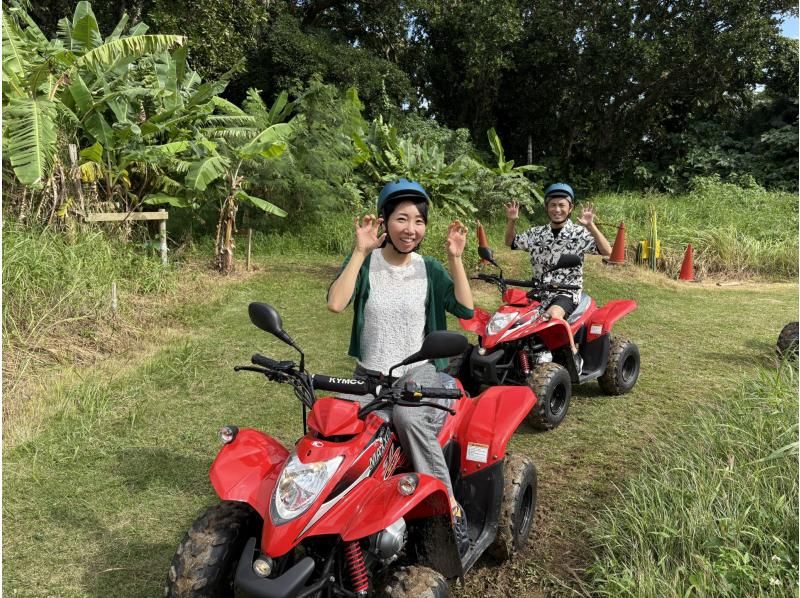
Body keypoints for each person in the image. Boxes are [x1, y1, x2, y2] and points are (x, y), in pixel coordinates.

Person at [327, 178, 474, 556]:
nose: (411, 229)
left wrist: (456, 259)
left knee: (408, 420)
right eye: (402, 219)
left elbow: (466, 308)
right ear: (385, 222)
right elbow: (335, 304)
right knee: (330, 421)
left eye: (419, 221)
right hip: (368, 376)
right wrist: (359, 252)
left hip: (417, 374)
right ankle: (327, 510)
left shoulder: (430, 269)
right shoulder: (366, 263)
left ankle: (448, 507)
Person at [504, 182, 612, 373]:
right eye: (553, 205)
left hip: (566, 292)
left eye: (562, 205)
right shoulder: (537, 233)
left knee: (551, 317)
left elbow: (607, 252)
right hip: (539, 290)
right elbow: (511, 242)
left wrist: (591, 226)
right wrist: (512, 221)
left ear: (570, 208)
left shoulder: (579, 233)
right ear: (547, 207)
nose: (557, 209)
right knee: (511, 318)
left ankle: (573, 356)